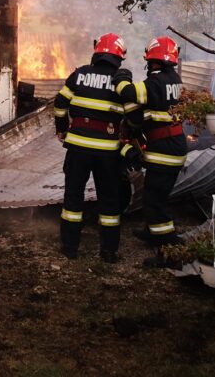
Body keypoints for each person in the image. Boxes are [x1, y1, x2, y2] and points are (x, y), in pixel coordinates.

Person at [53, 33, 129, 262]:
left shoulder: (80, 74)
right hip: (108, 151)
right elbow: (132, 113)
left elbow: (60, 103)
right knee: (109, 199)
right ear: (119, 56)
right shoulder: (120, 80)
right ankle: (109, 251)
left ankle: (70, 248)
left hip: (78, 148)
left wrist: (61, 128)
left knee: (73, 197)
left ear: (97, 52)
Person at [112, 36, 187, 266]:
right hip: (173, 146)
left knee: (155, 201)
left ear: (153, 59)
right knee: (157, 195)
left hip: (164, 150)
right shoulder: (174, 79)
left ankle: (168, 252)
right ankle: (151, 232)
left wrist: (121, 79)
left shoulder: (156, 82)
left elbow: (130, 93)